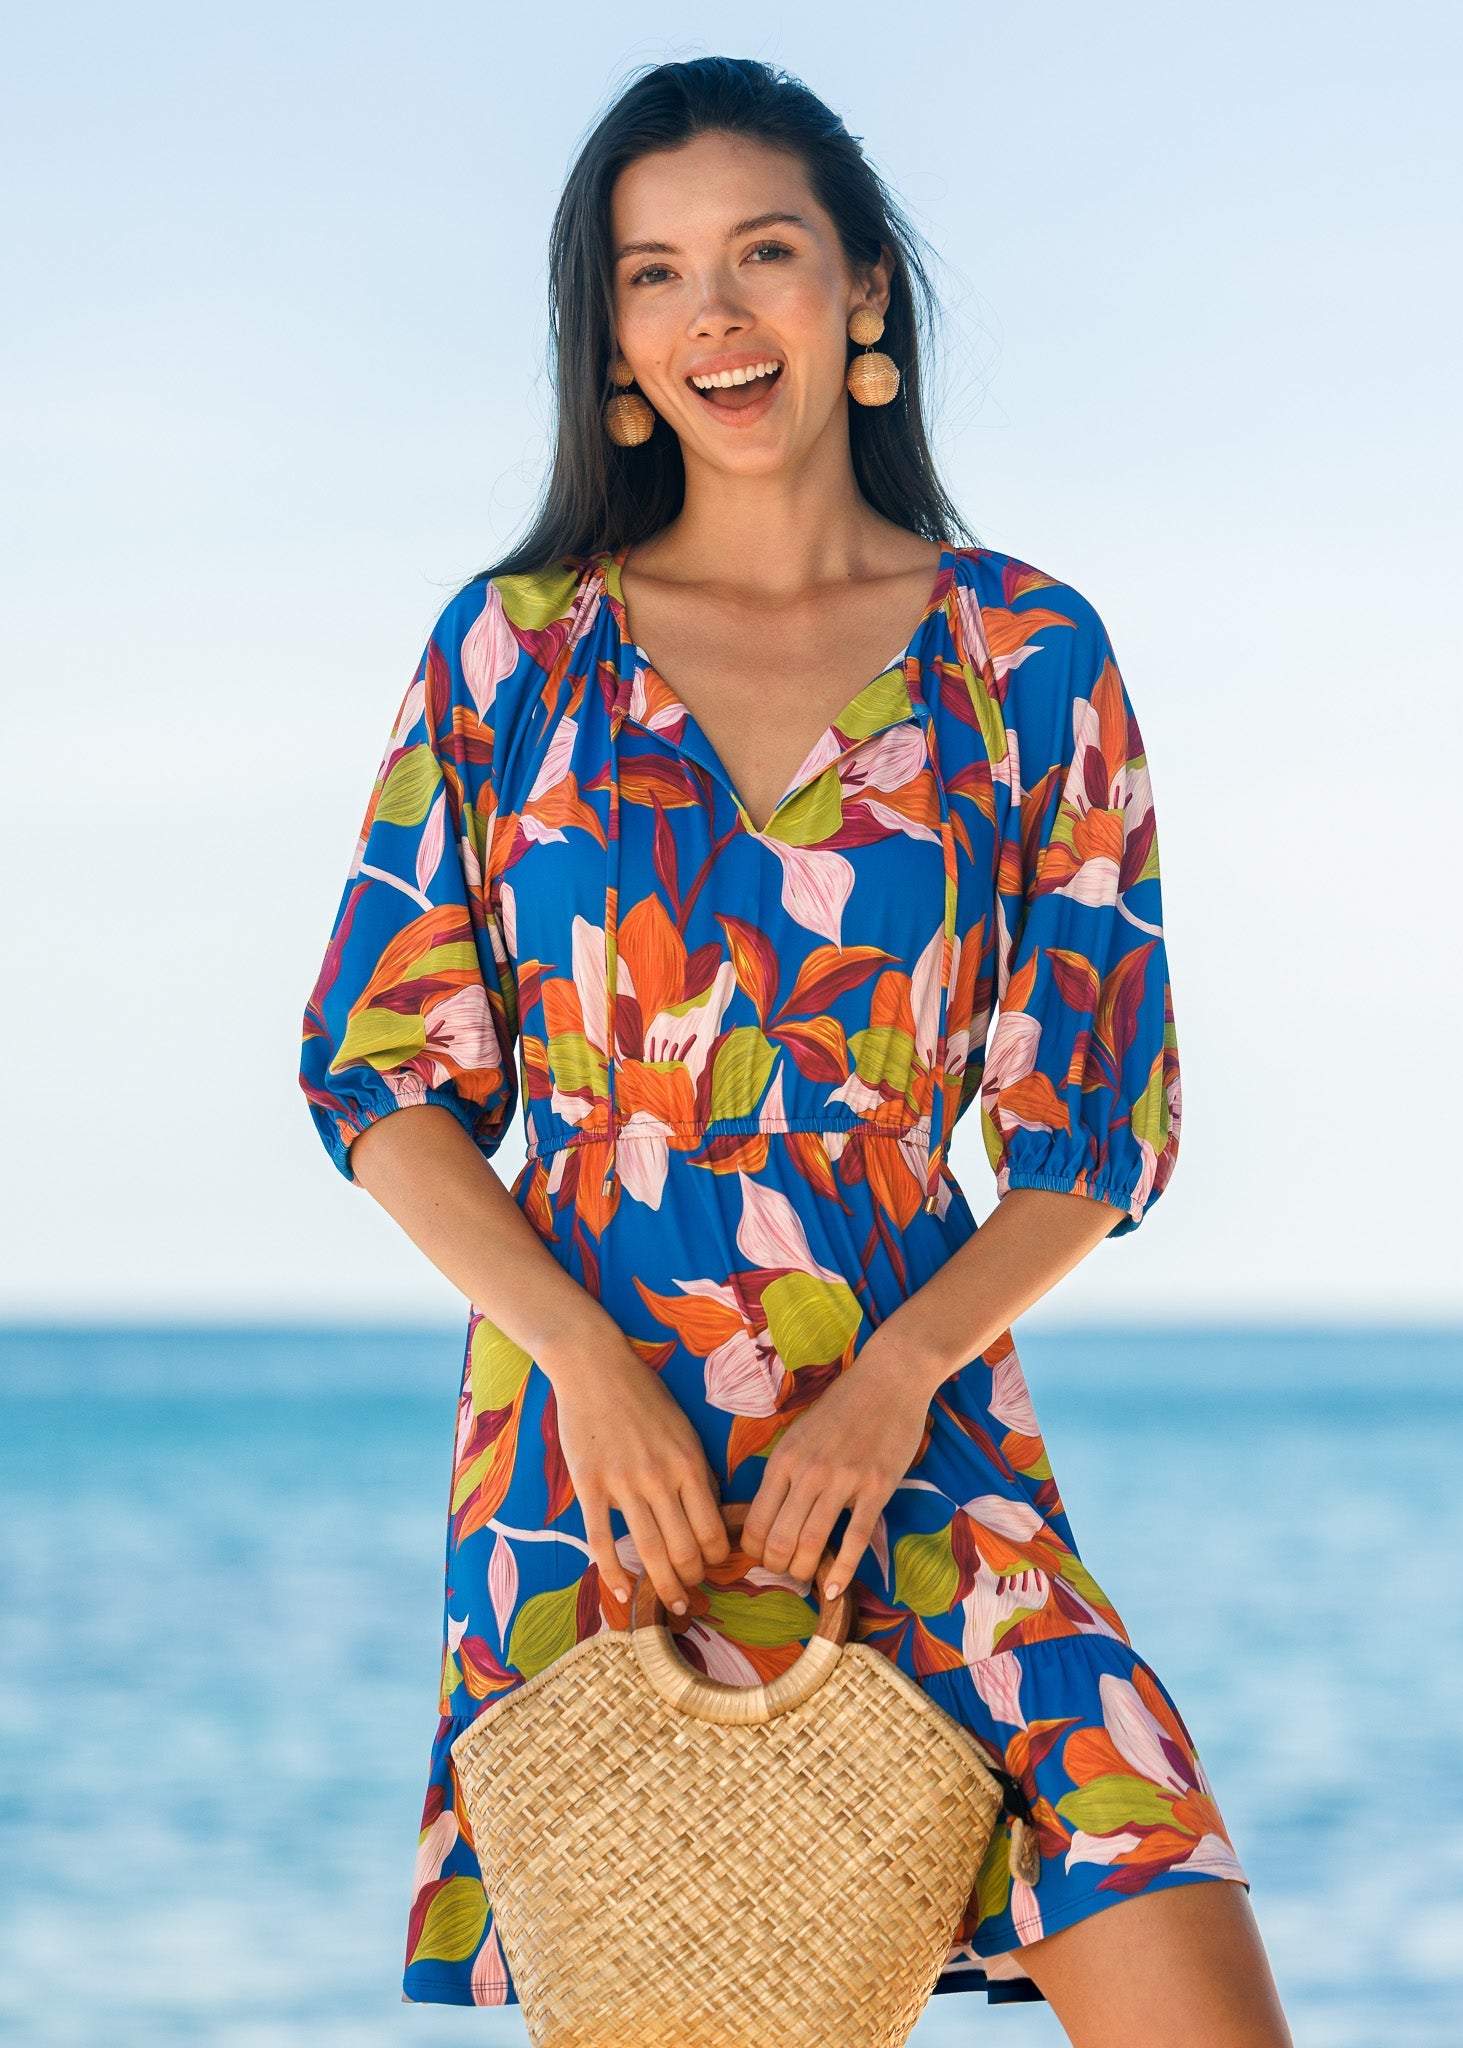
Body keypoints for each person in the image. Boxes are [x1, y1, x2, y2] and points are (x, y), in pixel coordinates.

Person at [298, 55, 1292, 2048]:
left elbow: (1098, 1128)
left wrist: (898, 1378)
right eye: (654, 276)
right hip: (608, 1484)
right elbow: (382, 1076)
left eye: (764, 252)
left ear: (862, 297)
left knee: (1183, 1960)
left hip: (921, 1447)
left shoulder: (1028, 657)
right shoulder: (517, 652)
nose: (715, 314)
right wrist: (585, 1364)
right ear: (615, 345)